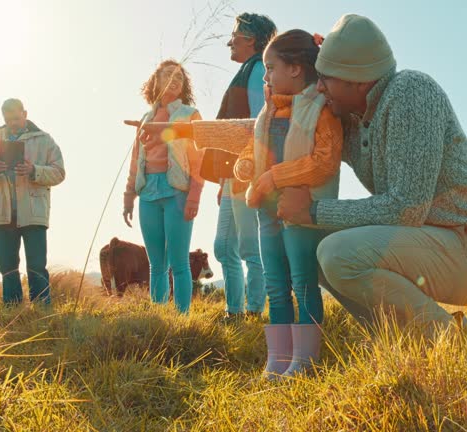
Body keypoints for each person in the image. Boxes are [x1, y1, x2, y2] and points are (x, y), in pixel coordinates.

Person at [156, 14, 467, 347]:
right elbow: (263, 131)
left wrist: (313, 211)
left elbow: (407, 208)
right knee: (316, 248)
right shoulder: (351, 116)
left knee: (335, 251)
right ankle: (401, 342)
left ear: (356, 78)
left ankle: (452, 342)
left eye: (325, 78)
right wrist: (182, 130)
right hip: (426, 242)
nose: (319, 88)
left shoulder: (410, 93)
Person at [127, 30, 344, 378]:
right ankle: (279, 358)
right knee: (276, 282)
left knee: (302, 281)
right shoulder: (268, 114)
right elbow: (244, 143)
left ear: (296, 69)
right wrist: (246, 166)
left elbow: (324, 161)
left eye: (271, 68)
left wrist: (274, 178)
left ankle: (306, 360)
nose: (265, 76)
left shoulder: (320, 111)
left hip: (302, 212)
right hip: (267, 210)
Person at [122, 60, 204, 313]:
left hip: (177, 191)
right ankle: (159, 318)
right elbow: (136, 159)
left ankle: (182, 319)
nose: (175, 79)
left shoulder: (190, 115)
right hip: (148, 192)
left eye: (179, 77)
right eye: (168, 75)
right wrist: (129, 195)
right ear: (155, 81)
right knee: (156, 263)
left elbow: (199, 158)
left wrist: (194, 196)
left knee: (179, 263)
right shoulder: (145, 118)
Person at [211, 13, 276, 321]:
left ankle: (251, 313)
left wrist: (243, 174)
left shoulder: (257, 70)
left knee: (250, 247)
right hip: (233, 174)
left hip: (246, 171)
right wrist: (225, 181)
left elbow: (254, 126)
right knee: (224, 247)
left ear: (250, 39)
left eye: (235, 34)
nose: (229, 41)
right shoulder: (249, 70)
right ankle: (235, 311)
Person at [0, 99, 65, 305]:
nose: (12, 123)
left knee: (36, 266)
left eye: (16, 118)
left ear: (25, 113)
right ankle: (13, 313)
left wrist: (34, 170)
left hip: (34, 212)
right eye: (8, 119)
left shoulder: (45, 139)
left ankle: (42, 312)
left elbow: (59, 172)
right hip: (2, 213)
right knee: (7, 267)